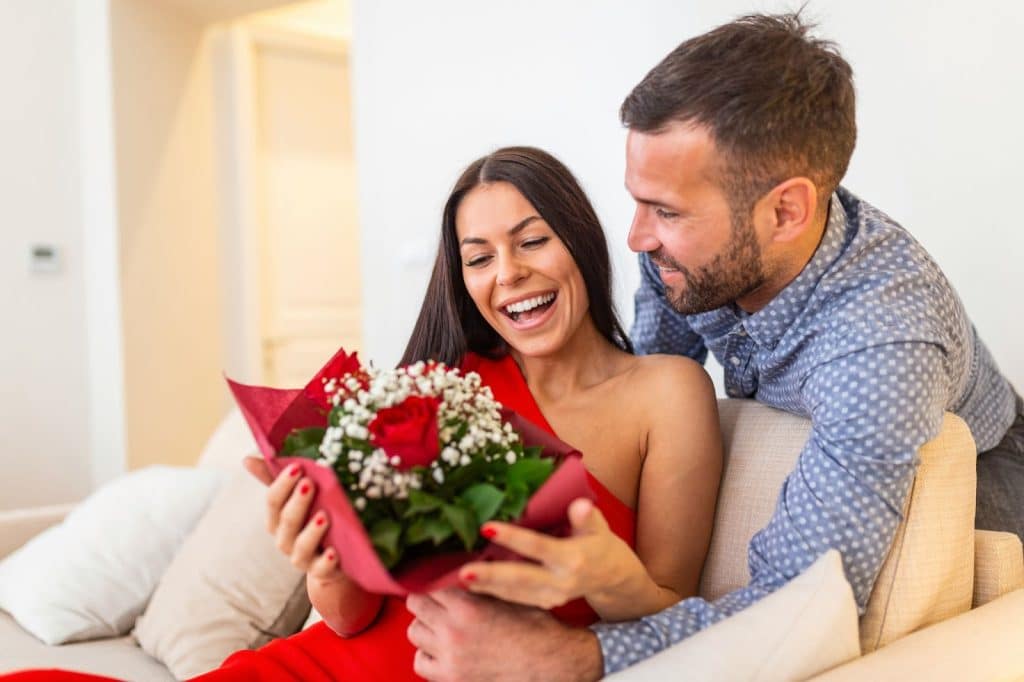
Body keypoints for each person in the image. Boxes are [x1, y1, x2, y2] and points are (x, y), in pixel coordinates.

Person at [405, 12, 1024, 681]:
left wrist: (579, 656)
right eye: (638, 202)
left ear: (786, 212)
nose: (636, 238)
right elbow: (646, 386)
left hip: (995, 463)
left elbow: (796, 605)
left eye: (666, 212)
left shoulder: (880, 346)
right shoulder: (680, 248)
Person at [0, 147, 722, 681]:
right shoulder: (438, 390)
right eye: (478, 258)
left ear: (582, 240)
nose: (509, 274)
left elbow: (674, 612)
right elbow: (348, 617)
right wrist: (321, 560)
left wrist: (601, 575)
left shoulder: (667, 392)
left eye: (532, 240)